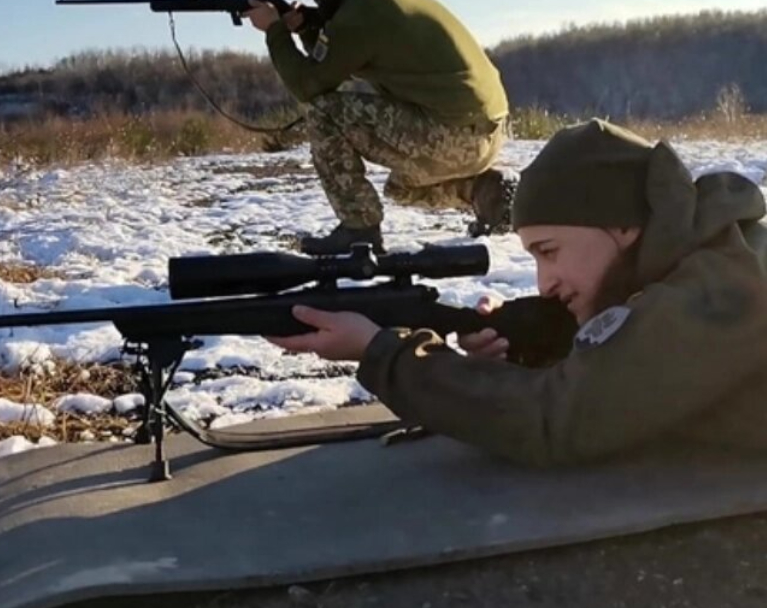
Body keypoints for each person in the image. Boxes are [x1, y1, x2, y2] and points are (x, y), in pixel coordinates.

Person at [266, 118, 767, 467]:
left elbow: (555, 420)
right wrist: (525, 345)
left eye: (550, 251)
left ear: (622, 226)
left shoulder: (723, 288)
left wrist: (384, 353)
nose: (544, 281)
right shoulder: (711, 254)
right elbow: (634, 366)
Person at [244, 0, 515, 256]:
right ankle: (484, 190)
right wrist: (305, 28)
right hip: (486, 135)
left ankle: (358, 229)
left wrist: (274, 31)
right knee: (400, 189)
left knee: (325, 111)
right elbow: (338, 61)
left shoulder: (362, 13)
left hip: (454, 135)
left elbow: (309, 86)